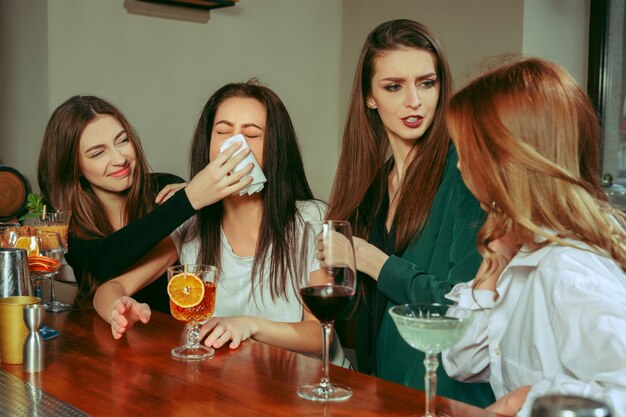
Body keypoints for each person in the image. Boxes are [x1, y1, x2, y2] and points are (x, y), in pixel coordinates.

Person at [442, 57, 626, 416]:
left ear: (505, 160)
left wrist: (523, 399)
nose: (460, 165)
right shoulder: (521, 256)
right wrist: (495, 256)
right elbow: (461, 361)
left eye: (466, 152)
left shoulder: (570, 269)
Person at [325, 19, 494, 405]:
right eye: (393, 87)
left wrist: (375, 262)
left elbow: (463, 308)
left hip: (448, 398)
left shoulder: (466, 176)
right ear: (370, 96)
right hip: (384, 391)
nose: (414, 101)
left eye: (426, 83)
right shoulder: (370, 189)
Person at [37, 95, 253, 316]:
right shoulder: (66, 217)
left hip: (168, 335)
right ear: (74, 167)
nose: (120, 158)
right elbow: (102, 261)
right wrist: (189, 199)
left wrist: (190, 200)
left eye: (122, 141)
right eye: (98, 153)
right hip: (102, 335)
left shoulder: (164, 189)